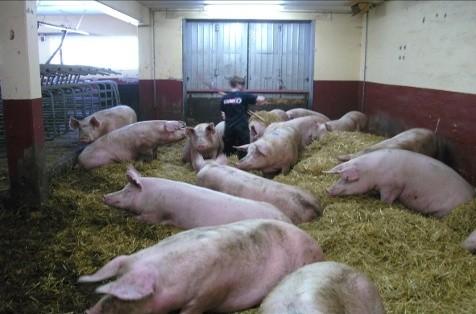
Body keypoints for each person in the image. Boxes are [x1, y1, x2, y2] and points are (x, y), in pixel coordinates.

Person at [220, 76, 266, 159]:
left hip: (228, 130)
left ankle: (229, 168)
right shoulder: (243, 95)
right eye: (242, 85)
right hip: (241, 129)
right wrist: (263, 98)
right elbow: (260, 100)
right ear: (238, 84)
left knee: (229, 153)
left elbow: (223, 115)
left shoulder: (224, 98)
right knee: (243, 152)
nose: (243, 87)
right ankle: (242, 166)